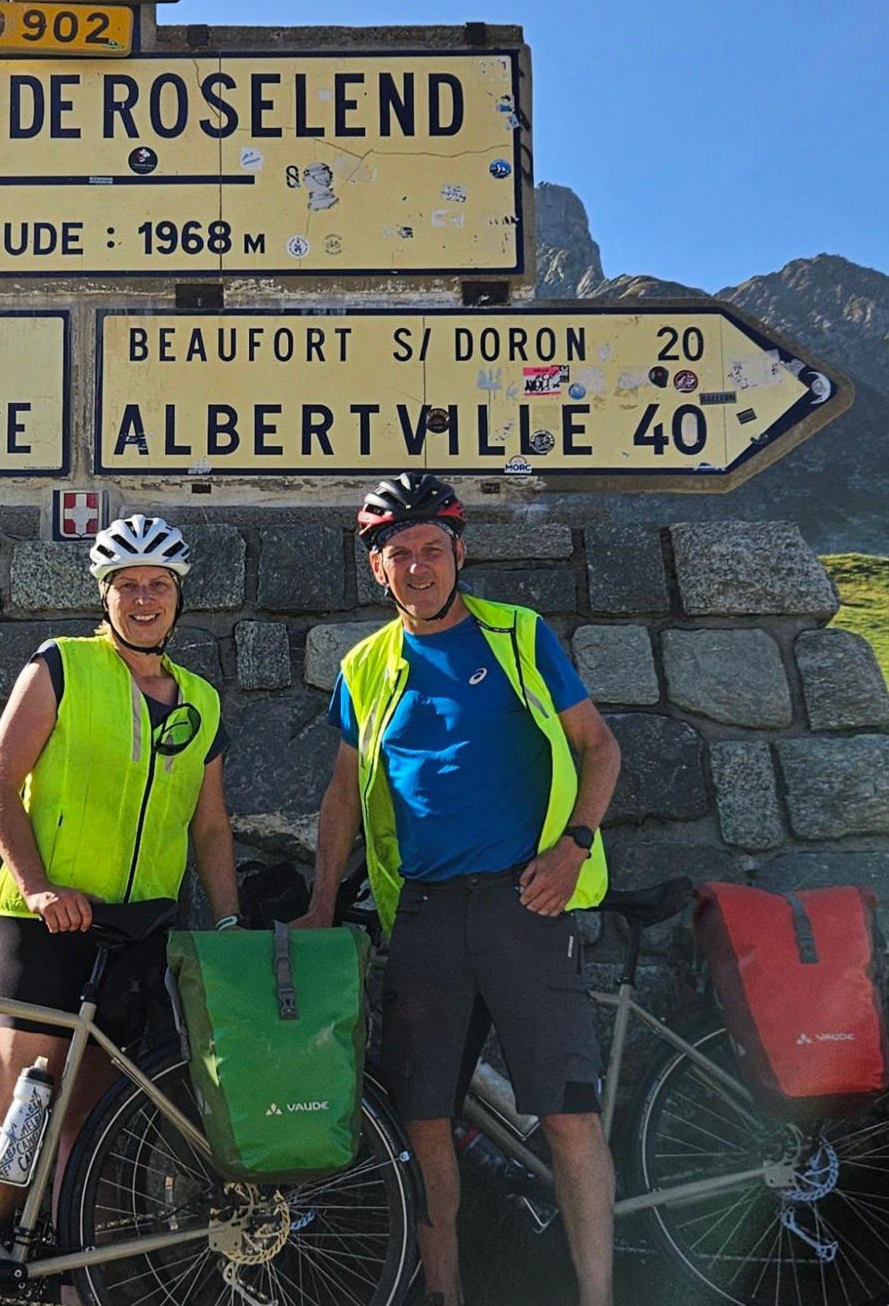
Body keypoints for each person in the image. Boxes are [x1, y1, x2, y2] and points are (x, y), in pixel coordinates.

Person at [299, 473, 625, 1306]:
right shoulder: (365, 666)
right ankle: (445, 1296)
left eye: (431, 551)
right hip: (426, 915)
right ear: (377, 568)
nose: (417, 568)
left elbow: (600, 748)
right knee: (423, 1121)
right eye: (398, 554)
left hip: (525, 901)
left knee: (568, 1117)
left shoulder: (518, 635)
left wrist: (572, 847)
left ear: (460, 553)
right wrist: (322, 907)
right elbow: (343, 795)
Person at [0, 513, 240, 1228]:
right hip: (46, 924)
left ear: (178, 597)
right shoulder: (61, 664)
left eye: (158, 584)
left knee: (92, 1131)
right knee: (21, 1115)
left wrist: (231, 918)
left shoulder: (203, 701)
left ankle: (69, 1283)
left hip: (138, 930)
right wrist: (38, 885)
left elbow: (210, 825)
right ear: (105, 594)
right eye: (127, 585)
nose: (143, 598)